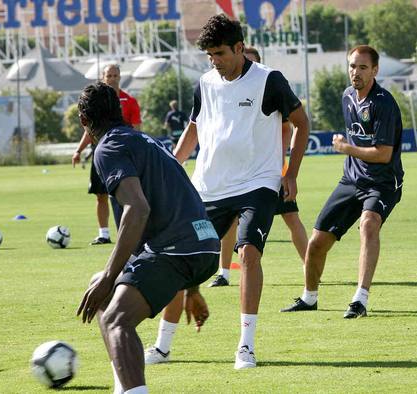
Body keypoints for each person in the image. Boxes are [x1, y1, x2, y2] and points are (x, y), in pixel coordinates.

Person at [143, 14, 309, 369]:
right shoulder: (204, 83)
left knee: (248, 252)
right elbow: (193, 130)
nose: (214, 61)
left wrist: (290, 173)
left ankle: (245, 347)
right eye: (209, 55)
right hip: (209, 189)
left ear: (238, 48)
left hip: (258, 185)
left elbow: (301, 123)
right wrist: (172, 170)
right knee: (179, 258)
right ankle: (162, 346)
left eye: (219, 53)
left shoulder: (269, 80)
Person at [76, 81, 219, 394]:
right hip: (205, 246)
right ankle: (124, 388)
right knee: (104, 286)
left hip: (175, 251)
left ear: (84, 122)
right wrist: (191, 287)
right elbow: (182, 199)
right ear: (119, 111)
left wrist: (109, 278)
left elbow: (137, 209)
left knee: (116, 319)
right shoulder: (146, 140)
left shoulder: (109, 147)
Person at [281, 45, 404, 319]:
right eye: (352, 66)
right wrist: (349, 153)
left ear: (375, 70)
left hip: (382, 182)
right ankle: (309, 297)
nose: (355, 72)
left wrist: (347, 148)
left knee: (369, 226)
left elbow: (383, 155)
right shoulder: (347, 96)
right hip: (351, 180)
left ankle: (360, 299)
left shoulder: (383, 103)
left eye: (362, 67)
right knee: (316, 243)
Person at [208, 46, 308, 287]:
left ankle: (310, 266)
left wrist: (282, 162)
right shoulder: (225, 89)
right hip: (238, 174)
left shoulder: (267, 86)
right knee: (231, 222)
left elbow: (290, 127)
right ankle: (224, 272)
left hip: (270, 171)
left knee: (291, 217)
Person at [72, 64, 142, 245]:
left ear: (120, 77)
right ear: (103, 77)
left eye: (115, 75)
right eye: (109, 75)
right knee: (100, 193)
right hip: (100, 153)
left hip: (122, 154)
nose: (112, 79)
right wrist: (79, 150)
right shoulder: (96, 102)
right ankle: (104, 233)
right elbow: (89, 129)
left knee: (124, 193)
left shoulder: (130, 101)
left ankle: (128, 232)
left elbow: (136, 128)